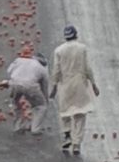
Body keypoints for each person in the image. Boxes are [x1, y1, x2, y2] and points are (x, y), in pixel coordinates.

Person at [49, 24, 99, 155]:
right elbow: (87, 68)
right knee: (80, 113)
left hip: (65, 84)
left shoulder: (59, 50)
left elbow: (56, 70)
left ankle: (67, 134)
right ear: (76, 35)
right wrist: (93, 84)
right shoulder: (82, 48)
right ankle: (77, 143)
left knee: (65, 111)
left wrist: (54, 86)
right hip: (79, 83)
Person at [6, 47, 49, 134]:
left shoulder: (18, 60)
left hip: (15, 84)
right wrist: (45, 99)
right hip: (30, 86)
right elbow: (44, 87)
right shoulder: (41, 68)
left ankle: (18, 127)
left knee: (17, 104)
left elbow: (9, 71)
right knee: (41, 106)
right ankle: (35, 129)